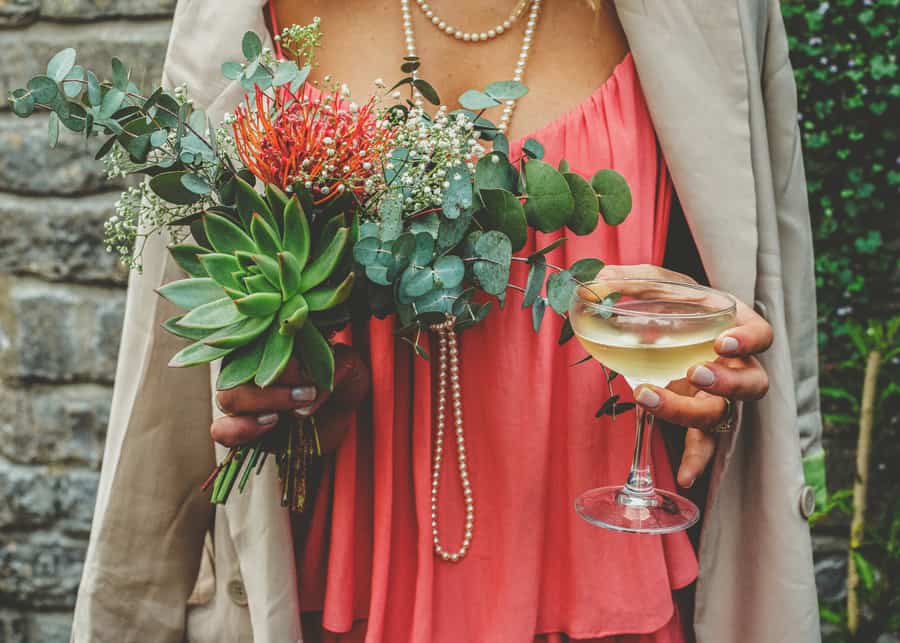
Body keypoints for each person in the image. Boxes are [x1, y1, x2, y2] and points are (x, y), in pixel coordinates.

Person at [72, 1, 825, 642]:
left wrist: (710, 381)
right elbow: (170, 399)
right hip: (340, 597)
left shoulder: (712, 14)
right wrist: (293, 411)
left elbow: (760, 281)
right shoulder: (242, 19)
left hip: (613, 586)